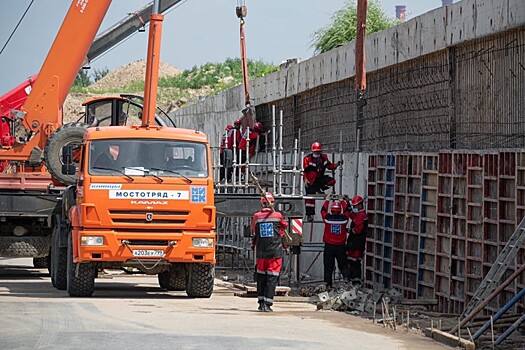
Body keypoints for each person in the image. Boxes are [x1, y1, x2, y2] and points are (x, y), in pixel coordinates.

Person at [251, 192, 289, 312]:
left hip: (261, 252)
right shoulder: (277, 215)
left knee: (261, 277)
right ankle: (268, 303)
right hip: (275, 253)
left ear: (261, 203)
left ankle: (261, 302)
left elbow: (254, 232)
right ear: (272, 202)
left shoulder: (256, 216)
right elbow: (284, 226)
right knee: (272, 278)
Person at [303, 142, 342, 221]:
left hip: (320, 179)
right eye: (315, 152)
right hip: (310, 181)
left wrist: (336, 165)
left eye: (318, 151)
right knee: (310, 198)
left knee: (331, 181)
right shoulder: (307, 159)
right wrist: (305, 179)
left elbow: (329, 166)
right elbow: (304, 171)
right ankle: (309, 215)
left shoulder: (323, 158)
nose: (317, 153)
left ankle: (320, 190)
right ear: (312, 151)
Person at [320, 197, 350, 290]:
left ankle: (328, 285)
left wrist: (327, 200)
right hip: (341, 246)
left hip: (329, 246)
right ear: (340, 211)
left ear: (332, 211)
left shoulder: (328, 219)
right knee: (343, 265)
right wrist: (342, 201)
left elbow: (323, 210)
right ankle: (346, 281)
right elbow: (347, 211)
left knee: (328, 266)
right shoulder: (344, 219)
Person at [345, 195, 369, 285]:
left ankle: (355, 282)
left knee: (354, 262)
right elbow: (352, 215)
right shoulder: (360, 215)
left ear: (359, 205)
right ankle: (354, 281)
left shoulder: (361, 215)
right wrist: (348, 203)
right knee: (353, 262)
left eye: (355, 206)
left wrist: (348, 230)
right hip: (357, 243)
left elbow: (357, 230)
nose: (354, 208)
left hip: (357, 243)